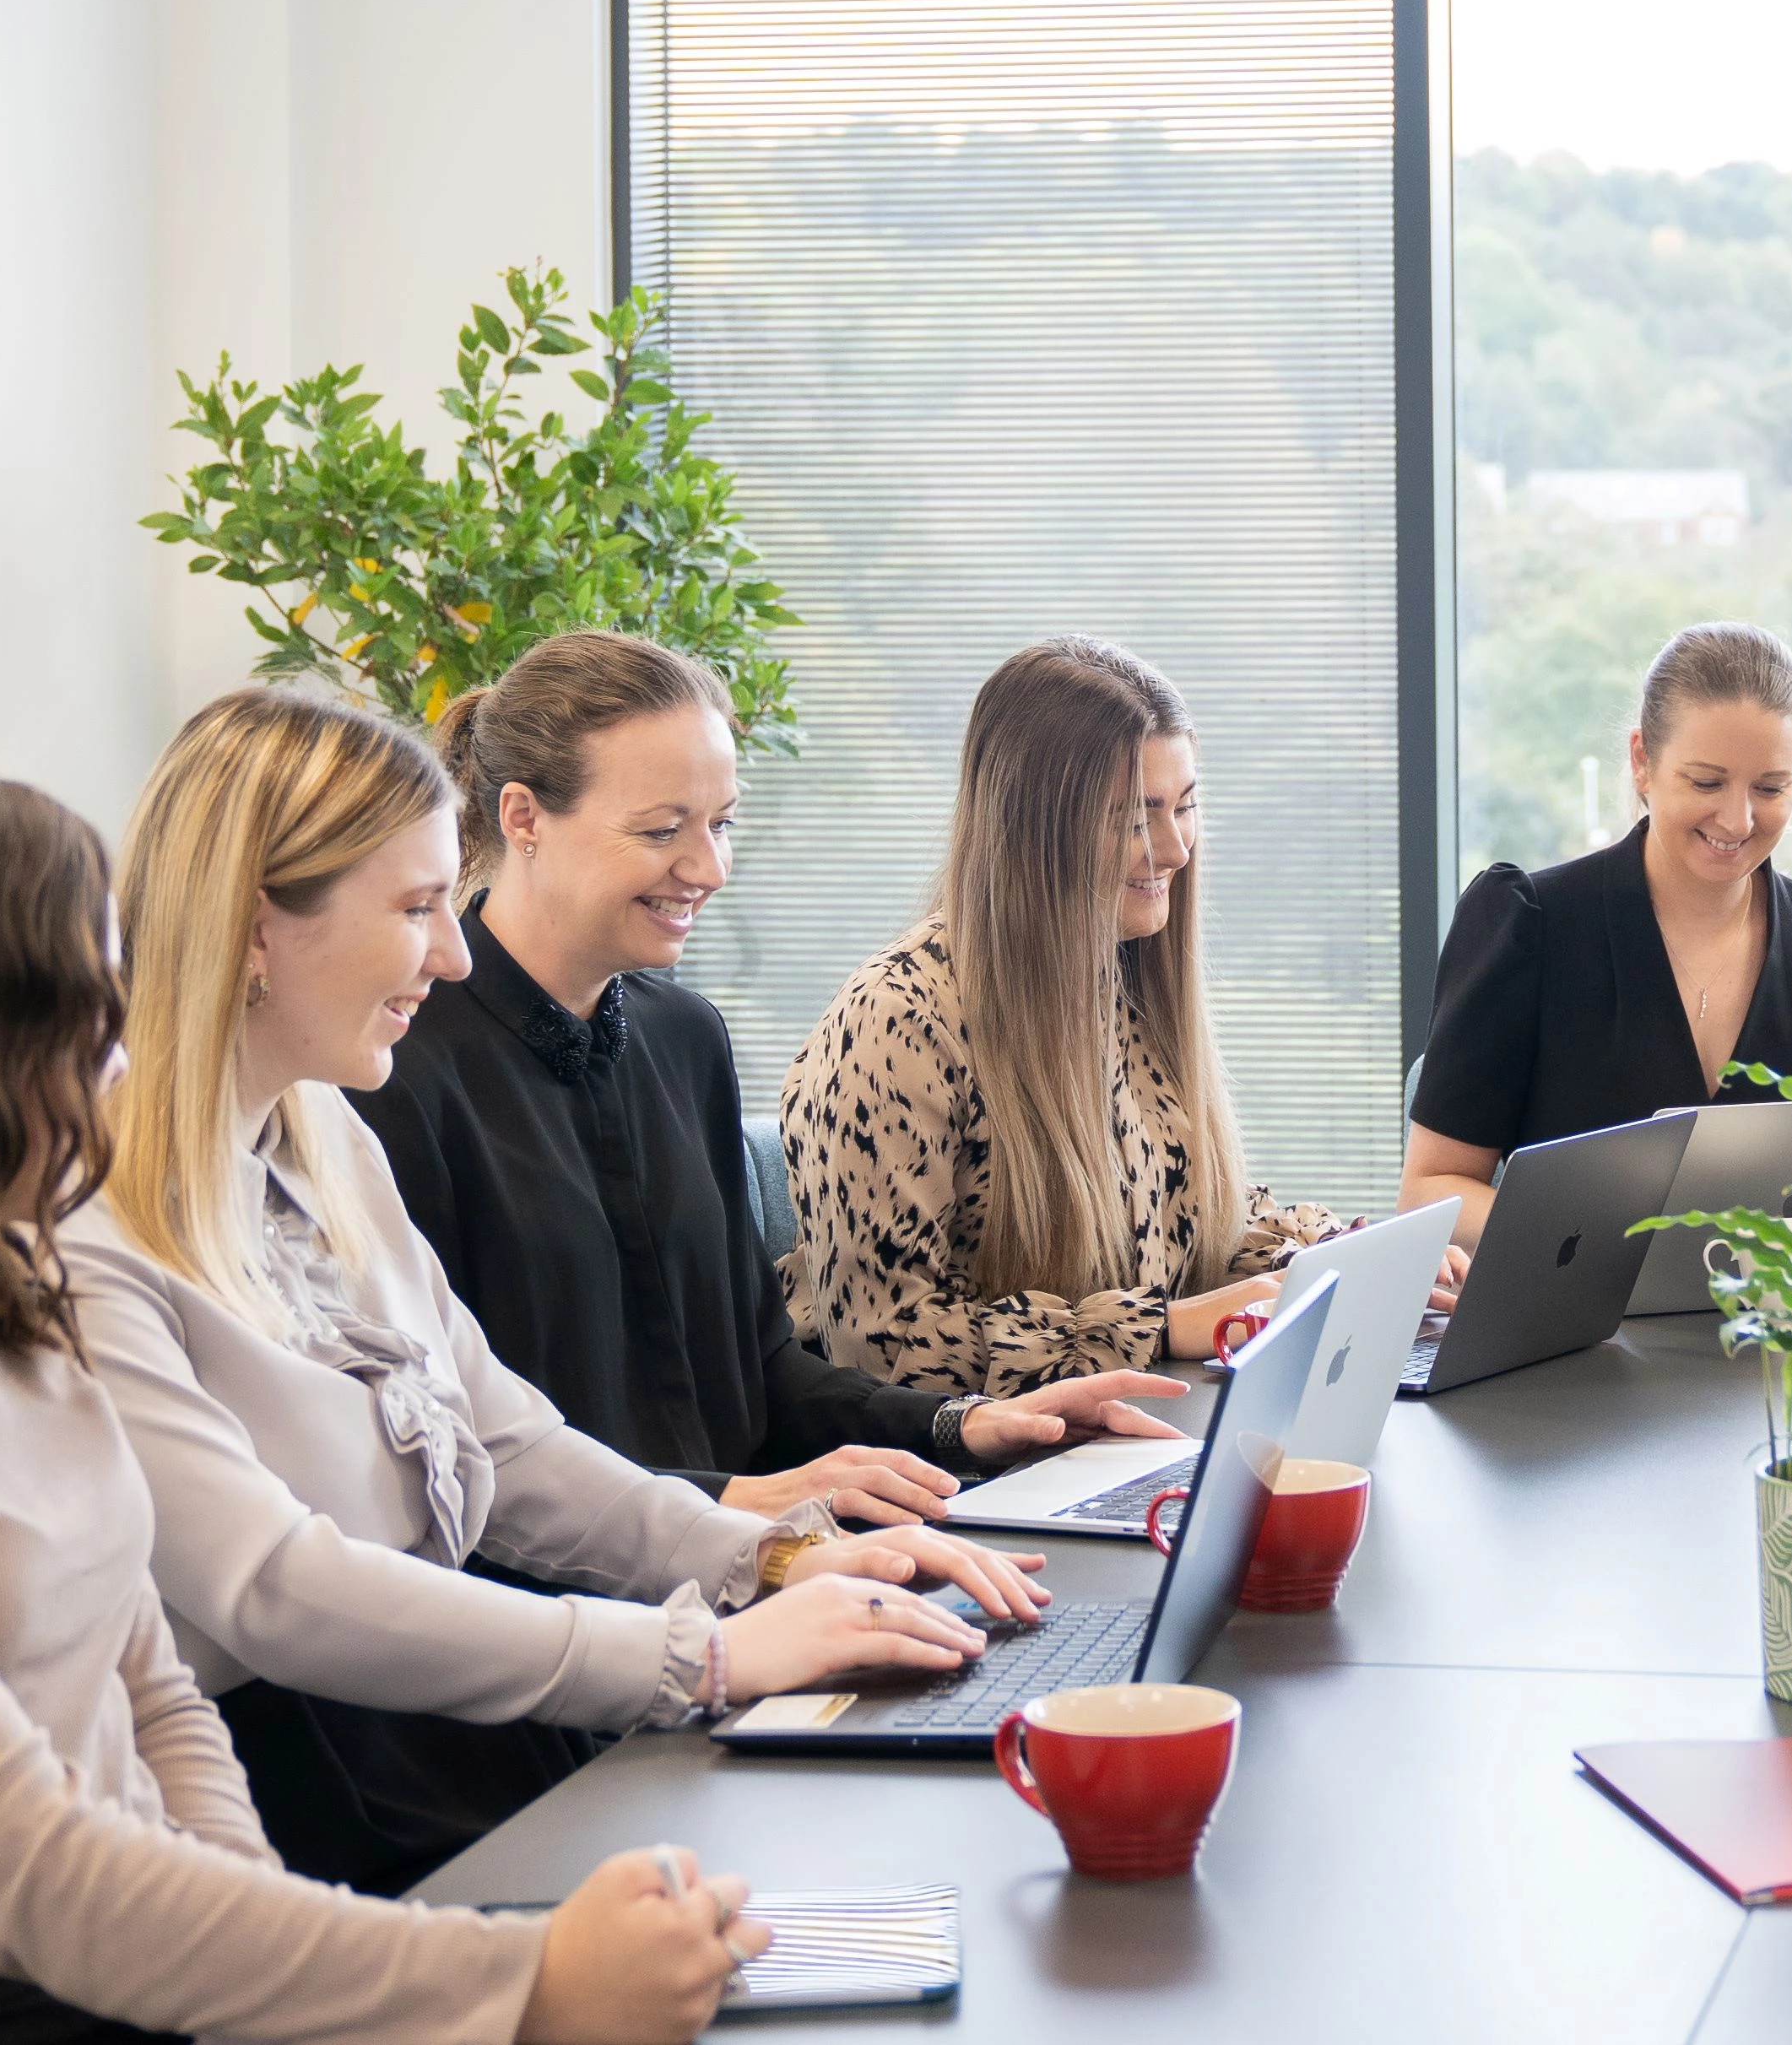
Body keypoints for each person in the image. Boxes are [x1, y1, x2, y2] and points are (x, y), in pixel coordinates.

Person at [0, 762, 763, 2044]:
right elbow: (16, 1860)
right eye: (74, 1020)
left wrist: (270, 1949)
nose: (114, 1060)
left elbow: (154, 1684)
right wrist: (512, 1988)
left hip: (114, 1954)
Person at [67, 687, 1048, 1894]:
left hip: (433, 1720)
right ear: (258, 924)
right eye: (418, 906)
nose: (453, 951)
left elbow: (505, 1441)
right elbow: (280, 1590)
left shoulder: (317, 1129)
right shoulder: (93, 1221)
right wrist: (706, 1654)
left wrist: (774, 1561)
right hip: (278, 1791)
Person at [355, 630, 1186, 1522]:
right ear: (522, 817)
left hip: (754, 1554)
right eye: (662, 829)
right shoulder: (393, 1071)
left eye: (722, 823)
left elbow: (760, 1371)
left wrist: (965, 1423)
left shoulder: (684, 1038)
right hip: (578, 1608)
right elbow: (457, 1461)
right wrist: (744, 1505)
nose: (709, 869)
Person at [781, 637, 1357, 1395]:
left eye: (1185, 806)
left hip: (1119, 1432)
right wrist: (1157, 1328)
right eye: (1132, 818)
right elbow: (886, 1345)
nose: (1177, 849)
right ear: (1028, 830)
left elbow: (1197, 1230)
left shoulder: (1125, 977)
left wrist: (1337, 1263)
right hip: (952, 1481)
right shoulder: (896, 1021)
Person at [1401, 623, 1792, 1247]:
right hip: (1572, 1325)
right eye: (1706, 782)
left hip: (1773, 1337)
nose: (1738, 819)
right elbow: (1431, 1187)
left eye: (1770, 787)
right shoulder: (1528, 924)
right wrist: (1599, 1246)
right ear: (1642, 760)